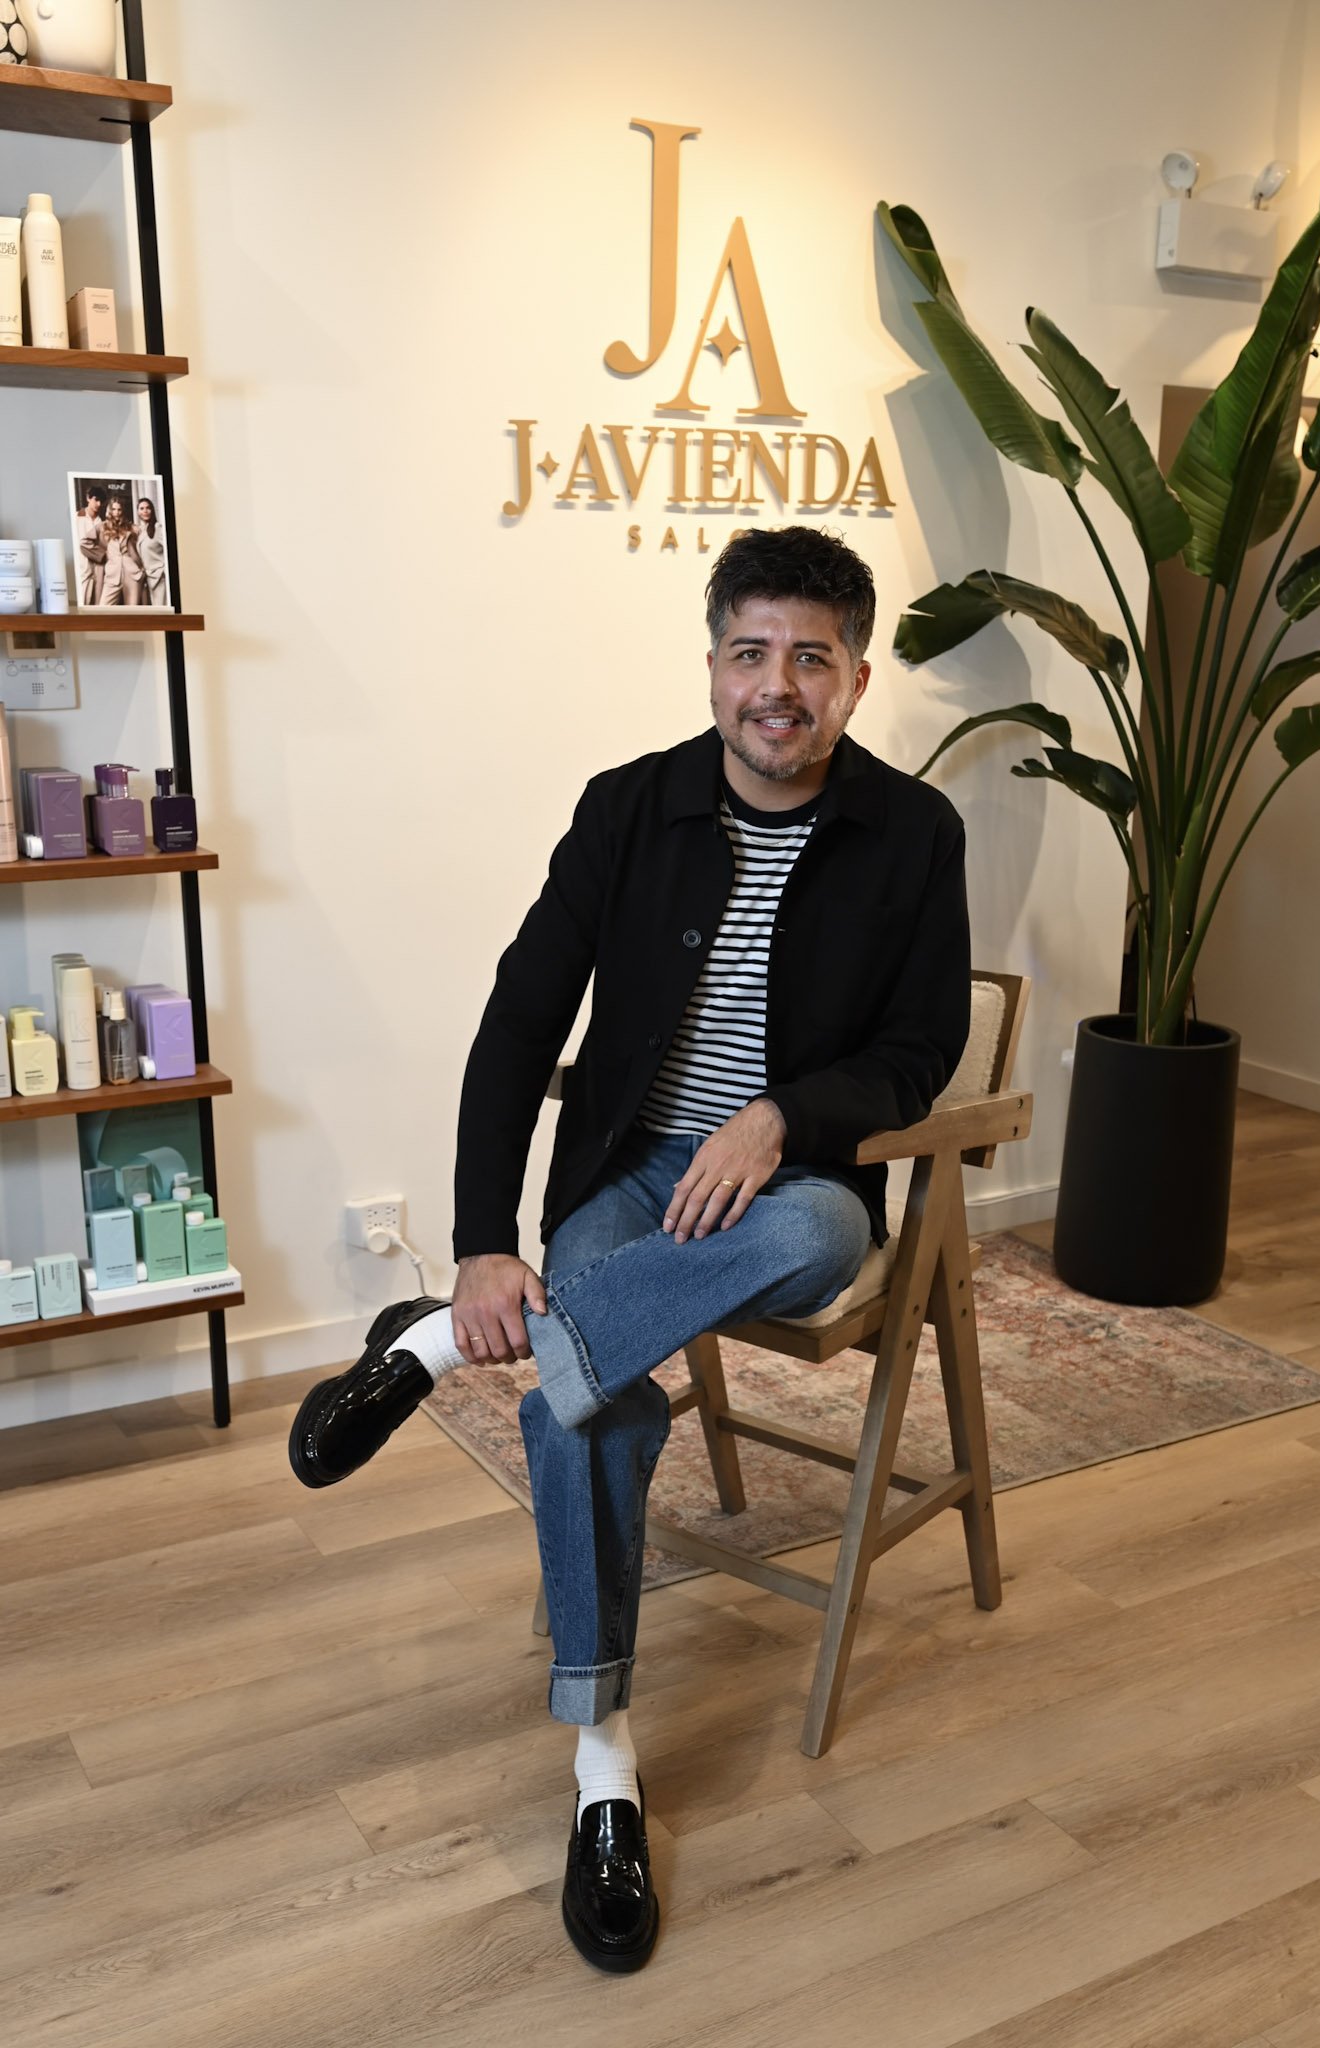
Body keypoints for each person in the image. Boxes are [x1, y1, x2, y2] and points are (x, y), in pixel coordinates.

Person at [288, 526, 971, 1972]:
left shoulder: (915, 836)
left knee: (783, 1237)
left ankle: (426, 1350)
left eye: (809, 658)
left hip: (797, 1191)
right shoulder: (627, 808)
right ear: (713, 660)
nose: (775, 687)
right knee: (585, 1403)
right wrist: (484, 1242)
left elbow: (920, 1053)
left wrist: (781, 1117)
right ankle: (605, 1763)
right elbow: (520, 1017)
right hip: (629, 1169)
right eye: (749, 652)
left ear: (855, 676)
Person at [99, 493, 147, 607]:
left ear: (123, 511)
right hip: (112, 574)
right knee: (103, 609)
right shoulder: (103, 527)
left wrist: (142, 569)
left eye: (119, 510)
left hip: (132, 573)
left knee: (132, 612)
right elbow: (87, 542)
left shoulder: (133, 528)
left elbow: (142, 548)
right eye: (114, 509)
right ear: (109, 511)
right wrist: (101, 557)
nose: (116, 513)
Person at [75, 486, 106, 606]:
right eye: (96, 499)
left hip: (98, 569)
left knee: (96, 604)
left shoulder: (101, 522)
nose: (98, 504)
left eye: (101, 501)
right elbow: (80, 544)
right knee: (83, 602)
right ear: (88, 498)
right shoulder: (77, 517)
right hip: (83, 567)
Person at [135, 495, 168, 606]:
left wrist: (164, 571)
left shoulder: (158, 528)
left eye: (148, 508)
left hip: (160, 577)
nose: (145, 511)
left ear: (152, 510)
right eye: (142, 508)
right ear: (138, 512)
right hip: (148, 579)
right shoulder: (141, 531)